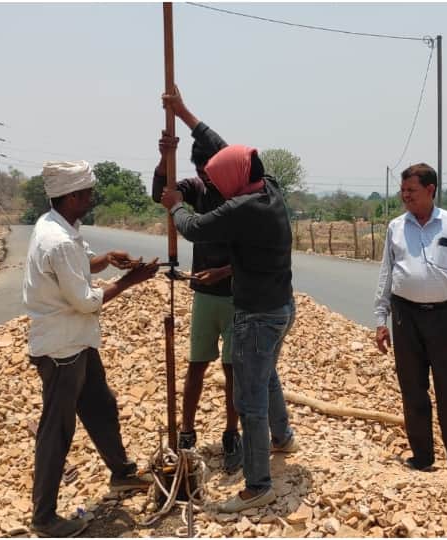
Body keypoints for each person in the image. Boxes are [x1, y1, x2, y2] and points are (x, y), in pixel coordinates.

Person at [159, 106, 297, 513]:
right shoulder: (267, 187)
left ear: (235, 179)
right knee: (266, 374)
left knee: (249, 399)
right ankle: (283, 437)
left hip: (258, 315)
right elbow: (227, 151)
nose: (219, 188)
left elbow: (193, 229)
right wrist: (184, 114)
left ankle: (258, 485)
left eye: (221, 182)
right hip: (282, 306)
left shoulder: (241, 210)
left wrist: (175, 205)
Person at [23, 160, 159, 537]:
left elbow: (83, 266)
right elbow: (85, 301)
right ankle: (44, 517)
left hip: (77, 342)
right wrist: (131, 280)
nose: (90, 198)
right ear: (68, 197)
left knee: (101, 404)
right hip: (62, 347)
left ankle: (121, 473)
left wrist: (108, 259)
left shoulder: (58, 225)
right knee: (57, 430)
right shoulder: (59, 240)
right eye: (85, 194)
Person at [151, 90, 242, 473]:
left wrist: (224, 271)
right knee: (196, 366)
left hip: (236, 295)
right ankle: (186, 431)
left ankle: (231, 434)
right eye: (204, 172)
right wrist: (164, 158)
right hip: (205, 295)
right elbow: (162, 194)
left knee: (233, 370)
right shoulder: (197, 188)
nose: (209, 178)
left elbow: (257, 252)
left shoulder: (241, 194)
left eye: (213, 171)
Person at [374, 163, 447, 473]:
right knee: (412, 388)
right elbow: (386, 273)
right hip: (405, 317)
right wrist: (382, 318)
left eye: (412, 190)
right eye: (403, 191)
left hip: (444, 317)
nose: (405, 196)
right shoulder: (396, 226)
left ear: (430, 190)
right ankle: (422, 457)